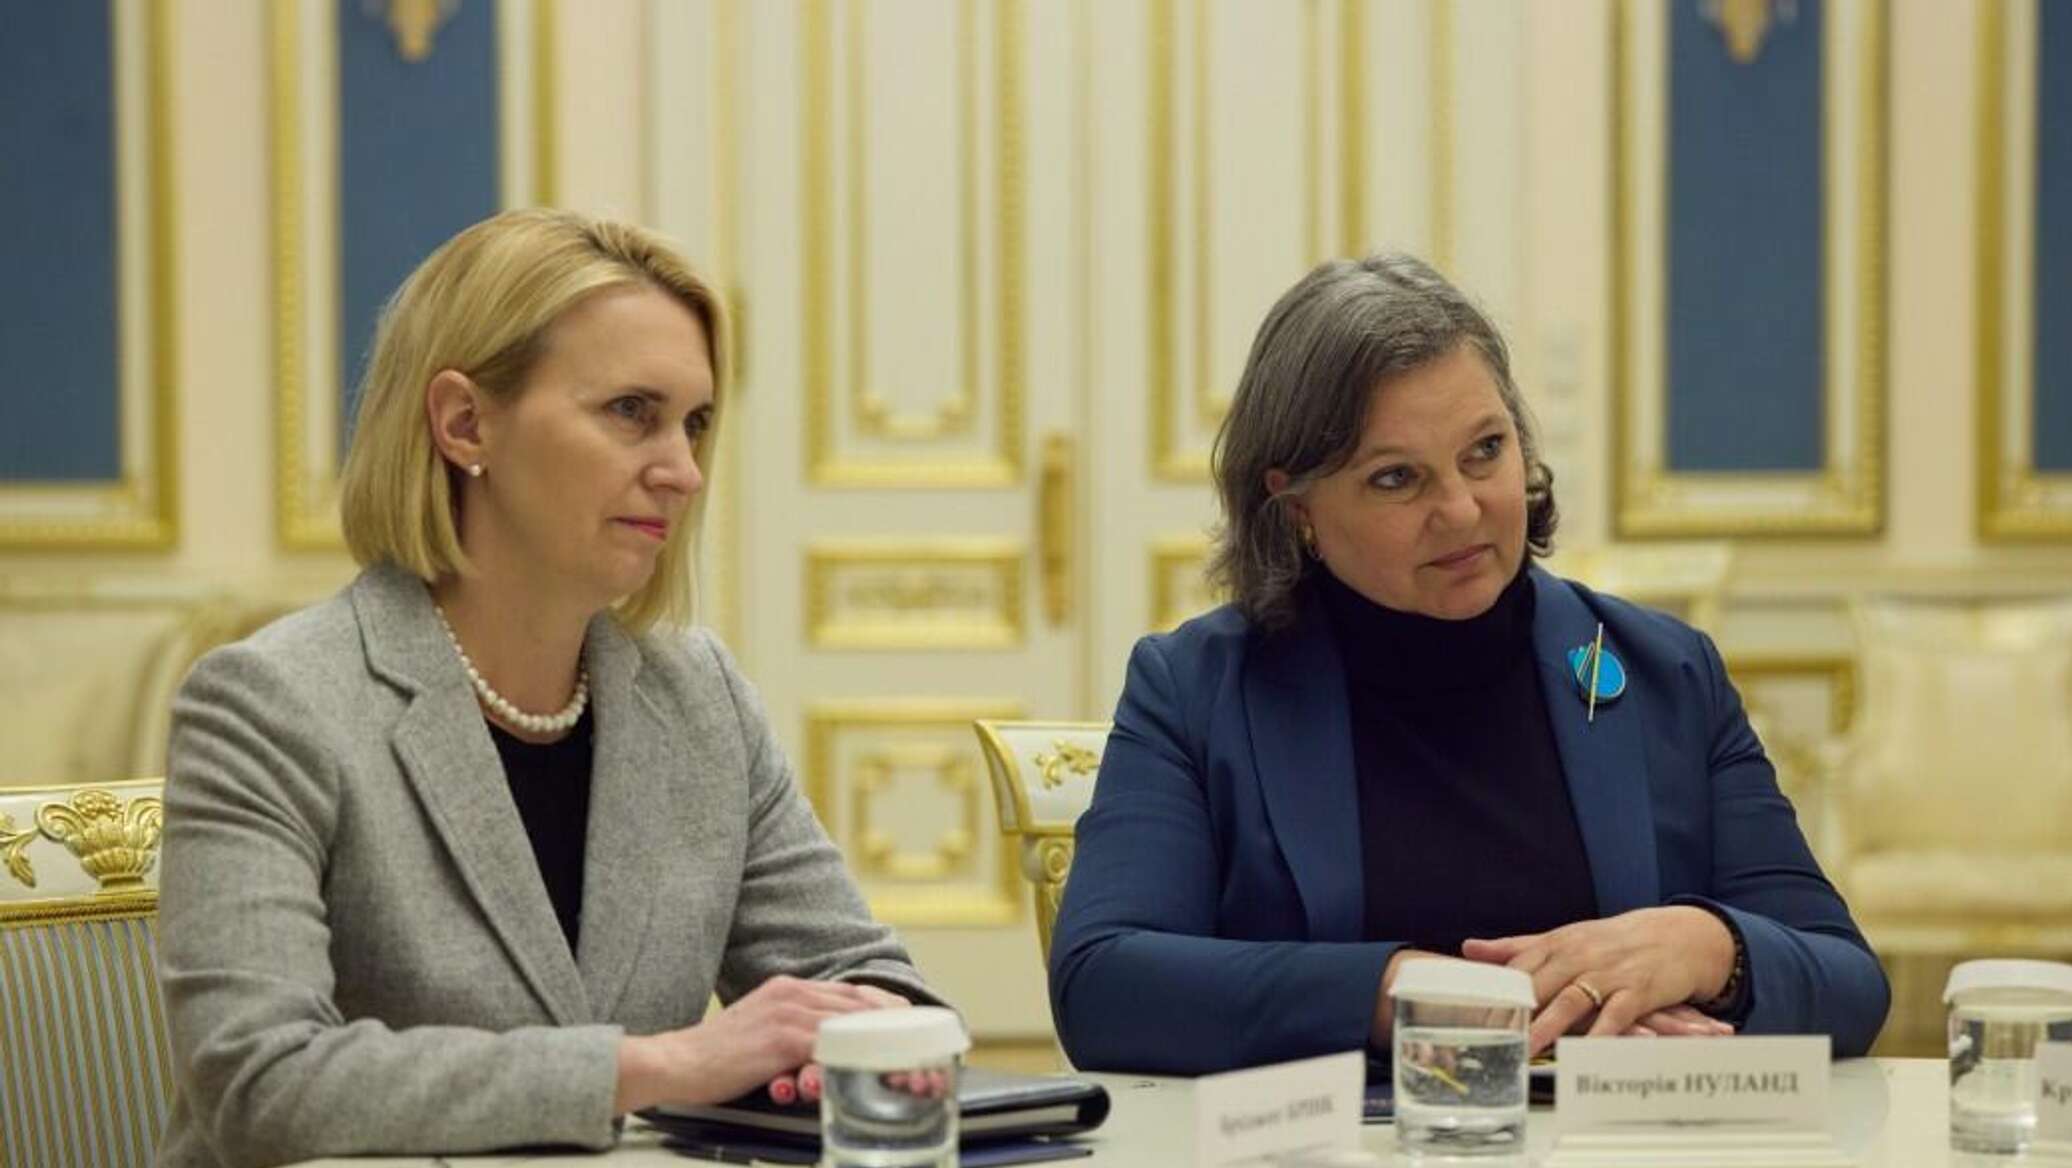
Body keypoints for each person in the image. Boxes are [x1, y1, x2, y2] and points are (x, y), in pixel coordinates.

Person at [157, 209, 938, 1168]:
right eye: (631, 412)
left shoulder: (699, 696)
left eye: (695, 424)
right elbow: (262, 1082)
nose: (684, 472)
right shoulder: (272, 705)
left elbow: (856, 967)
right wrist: (660, 1065)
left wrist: (862, 1027)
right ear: (464, 423)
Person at [1048, 253, 1888, 1075]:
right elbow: (1103, 985)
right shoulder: (1197, 691)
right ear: (1297, 507)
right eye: (1396, 479)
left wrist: (1709, 947)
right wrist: (1399, 992)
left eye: (1485, 450)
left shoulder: (1664, 672)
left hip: (1611, 1140)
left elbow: (1848, 982)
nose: (1460, 510)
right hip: (1341, 1141)